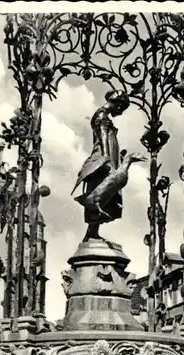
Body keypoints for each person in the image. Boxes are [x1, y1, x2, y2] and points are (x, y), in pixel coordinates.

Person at [71, 89, 130, 242]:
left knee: (104, 197)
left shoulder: (102, 115)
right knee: (100, 194)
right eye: (122, 109)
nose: (121, 113)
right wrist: (107, 161)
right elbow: (103, 139)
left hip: (107, 160)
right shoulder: (102, 116)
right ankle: (91, 233)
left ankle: (92, 233)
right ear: (118, 105)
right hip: (103, 162)